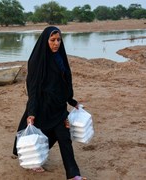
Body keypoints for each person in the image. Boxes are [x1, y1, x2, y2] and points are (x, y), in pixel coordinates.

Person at [12, 26, 87, 180]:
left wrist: (72, 101)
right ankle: (34, 160)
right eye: (52, 40)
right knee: (40, 138)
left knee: (64, 138)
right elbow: (33, 89)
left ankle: (73, 175)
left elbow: (65, 83)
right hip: (42, 107)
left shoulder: (60, 58)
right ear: (45, 41)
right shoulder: (37, 61)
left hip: (59, 107)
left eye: (59, 40)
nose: (56, 43)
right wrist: (31, 112)